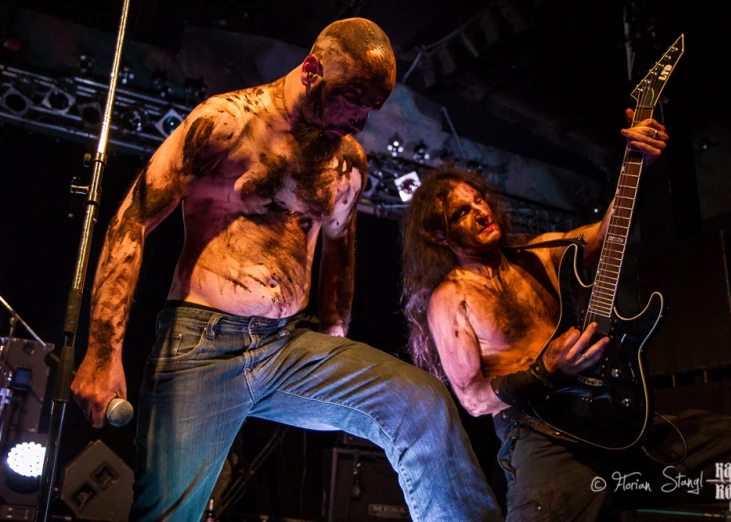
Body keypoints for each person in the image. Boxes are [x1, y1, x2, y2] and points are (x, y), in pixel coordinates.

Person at [71, 18, 503, 521]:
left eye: (371, 109)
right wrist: (102, 351)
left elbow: (340, 250)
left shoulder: (347, 160)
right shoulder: (226, 122)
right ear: (314, 70)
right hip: (203, 346)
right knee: (166, 515)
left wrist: (335, 335)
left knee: (421, 405)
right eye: (352, 100)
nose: (359, 121)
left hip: (286, 348)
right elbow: (131, 220)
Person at [401, 116, 731, 521]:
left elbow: (607, 232)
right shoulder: (450, 298)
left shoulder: (539, 253)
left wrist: (637, 164)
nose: (480, 211)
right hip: (542, 436)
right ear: (440, 237)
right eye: (462, 212)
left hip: (613, 417)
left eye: (478, 199)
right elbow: (473, 399)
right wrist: (547, 370)